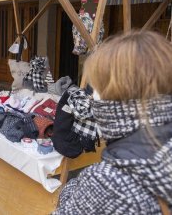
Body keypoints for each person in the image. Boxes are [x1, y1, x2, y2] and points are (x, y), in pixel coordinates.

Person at [54, 31, 172, 214]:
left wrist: (72, 190)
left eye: (97, 87)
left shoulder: (107, 182)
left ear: (114, 97)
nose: (92, 96)